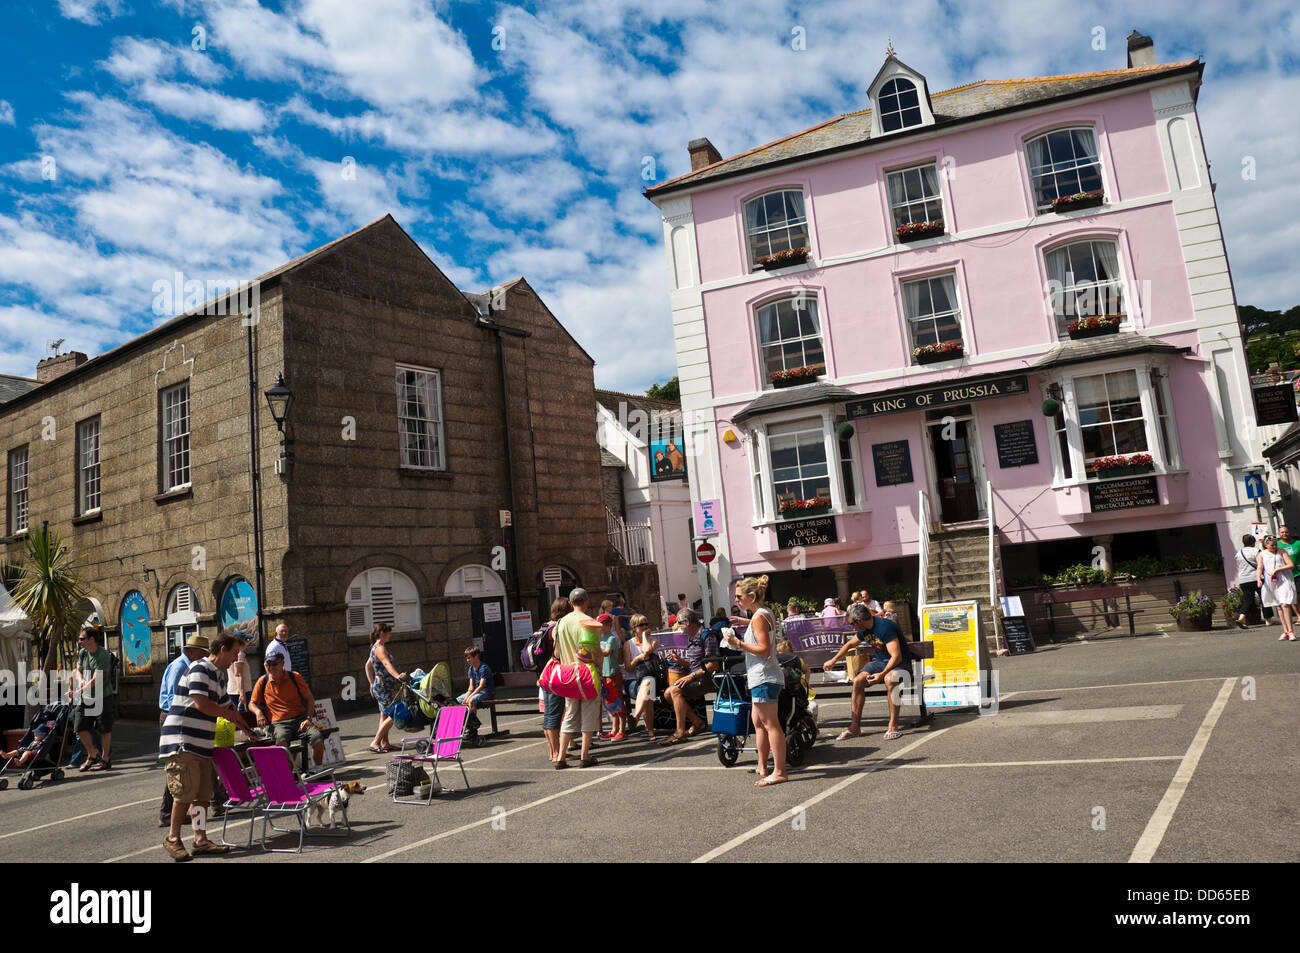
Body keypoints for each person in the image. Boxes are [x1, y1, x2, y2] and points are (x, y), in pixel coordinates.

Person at [159, 630, 256, 861]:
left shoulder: (218, 675)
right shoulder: (199, 668)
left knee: (202, 795)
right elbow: (202, 704)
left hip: (202, 743)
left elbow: (229, 708)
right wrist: (227, 715)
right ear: (222, 650)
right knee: (184, 792)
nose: (235, 659)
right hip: (183, 741)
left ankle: (200, 839)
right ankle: (173, 838)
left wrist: (248, 731)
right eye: (234, 653)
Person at [722, 575, 787, 787]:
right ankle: (762, 765)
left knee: (770, 724)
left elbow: (764, 650)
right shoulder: (763, 613)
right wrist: (745, 622)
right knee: (758, 722)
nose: (737, 600)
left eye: (739, 597)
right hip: (762, 676)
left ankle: (779, 771)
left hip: (764, 675)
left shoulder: (759, 616)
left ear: (751, 596)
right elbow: (762, 625)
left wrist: (737, 642)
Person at [823, 603, 911, 741]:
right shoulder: (864, 630)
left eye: (852, 623)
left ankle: (893, 726)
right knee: (858, 681)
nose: (852, 627)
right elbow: (850, 644)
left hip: (900, 664)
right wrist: (833, 660)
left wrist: (881, 675)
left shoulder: (885, 627)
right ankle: (855, 727)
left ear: (859, 621)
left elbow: (896, 657)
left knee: (890, 679)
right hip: (879, 662)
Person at [158, 635, 210, 827]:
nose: (204, 657)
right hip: (174, 718)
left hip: (185, 720)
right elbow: (174, 697)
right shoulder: (181, 666)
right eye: (202, 653)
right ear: (191, 651)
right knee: (180, 769)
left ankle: (199, 834)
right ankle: (168, 817)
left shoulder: (194, 666)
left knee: (189, 773)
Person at [249, 654, 325, 766]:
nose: (271, 667)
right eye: (268, 664)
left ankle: (319, 770)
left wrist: (308, 718)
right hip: (278, 723)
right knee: (281, 740)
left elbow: (310, 698)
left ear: (282, 663)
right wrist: (258, 712)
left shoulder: (294, 677)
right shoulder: (262, 681)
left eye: (274, 664)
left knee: (317, 737)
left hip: (300, 720)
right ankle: (288, 773)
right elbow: (251, 703)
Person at [555, 588, 600, 769]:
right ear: (587, 601)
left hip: (568, 674)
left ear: (570, 603)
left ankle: (560, 757)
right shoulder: (589, 622)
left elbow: (557, 652)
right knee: (589, 713)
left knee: (570, 714)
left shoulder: (560, 623)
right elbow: (595, 652)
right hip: (587, 673)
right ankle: (584, 756)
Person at [660, 608, 720, 744]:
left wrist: (691, 676)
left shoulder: (707, 636)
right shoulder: (692, 638)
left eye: (679, 623)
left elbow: (713, 665)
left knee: (674, 690)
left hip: (708, 679)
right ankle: (697, 722)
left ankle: (680, 732)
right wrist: (679, 661)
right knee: (668, 693)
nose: (677, 626)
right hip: (697, 676)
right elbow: (693, 664)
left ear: (687, 622)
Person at [69, 626, 115, 772]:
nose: (79, 641)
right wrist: (80, 679)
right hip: (86, 697)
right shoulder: (83, 652)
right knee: (80, 727)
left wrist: (79, 690)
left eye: (82, 638)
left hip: (102, 696)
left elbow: (96, 679)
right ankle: (92, 754)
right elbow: (77, 670)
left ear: (92, 639)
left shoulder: (104, 655)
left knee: (104, 730)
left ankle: (105, 759)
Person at [365, 623, 408, 752]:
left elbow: (367, 666)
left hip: (380, 685)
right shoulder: (380, 648)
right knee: (395, 712)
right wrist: (398, 676)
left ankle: (385, 743)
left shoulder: (375, 648)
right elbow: (386, 663)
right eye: (389, 632)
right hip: (385, 687)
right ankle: (375, 741)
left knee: (384, 715)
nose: (390, 635)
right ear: (383, 633)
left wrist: (372, 682)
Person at [539, 598, 570, 762]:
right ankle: (557, 753)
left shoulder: (545, 626)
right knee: (554, 715)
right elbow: (558, 653)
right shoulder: (557, 628)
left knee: (549, 714)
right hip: (554, 675)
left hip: (544, 675)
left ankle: (553, 752)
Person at [623, 614, 659, 741]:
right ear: (634, 627)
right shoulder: (628, 644)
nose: (644, 627)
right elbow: (628, 668)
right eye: (641, 625)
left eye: (646, 624)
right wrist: (637, 659)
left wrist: (644, 636)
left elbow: (648, 650)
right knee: (647, 690)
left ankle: (636, 717)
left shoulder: (652, 640)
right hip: (632, 680)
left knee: (648, 683)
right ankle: (650, 731)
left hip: (650, 677)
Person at [1257, 536, 1296, 640]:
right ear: (1266, 545)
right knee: (1279, 606)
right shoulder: (1261, 554)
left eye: (1275, 544)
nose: (1274, 547)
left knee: (1285, 604)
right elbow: (1260, 567)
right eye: (1271, 545)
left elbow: (1291, 565)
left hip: (1284, 579)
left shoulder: (1281, 551)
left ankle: (1291, 631)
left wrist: (1278, 569)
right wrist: (1259, 579)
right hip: (1271, 581)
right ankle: (1285, 630)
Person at [596, 614, 626, 740]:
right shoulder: (601, 638)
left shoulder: (611, 639)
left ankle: (622, 730)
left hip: (613, 674)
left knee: (618, 701)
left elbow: (607, 652)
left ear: (609, 625)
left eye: (602, 625)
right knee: (610, 703)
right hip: (605, 675)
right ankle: (614, 729)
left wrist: (595, 648)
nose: (601, 627)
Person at [1233, 534, 1272, 628]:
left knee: (1248, 600)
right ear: (1253, 542)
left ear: (1244, 543)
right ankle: (1268, 620)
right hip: (1256, 578)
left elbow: (1238, 566)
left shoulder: (1238, 553)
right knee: (1264, 598)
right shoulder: (1257, 551)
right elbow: (1260, 564)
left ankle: (1241, 618)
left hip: (1243, 580)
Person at [458, 646, 494, 716]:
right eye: (466, 658)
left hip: (486, 692)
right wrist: (466, 697)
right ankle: (462, 721)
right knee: (458, 700)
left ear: (476, 656)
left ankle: (472, 723)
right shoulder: (471, 669)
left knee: (471, 700)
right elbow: (471, 687)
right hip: (476, 692)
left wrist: (469, 697)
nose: (467, 660)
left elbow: (481, 686)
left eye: (469, 658)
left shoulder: (484, 668)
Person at [1275, 526, 1300, 619]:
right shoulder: (1276, 545)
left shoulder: (1297, 543)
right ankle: (1299, 616)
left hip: (1298, 573)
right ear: (1279, 534)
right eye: (1282, 532)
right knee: (1294, 596)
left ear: (1289, 532)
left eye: (1286, 532)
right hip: (1285, 575)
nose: (1284, 534)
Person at [226, 643, 250, 710]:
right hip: (240, 691)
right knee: (243, 716)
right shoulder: (239, 654)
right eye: (246, 640)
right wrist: (242, 693)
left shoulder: (231, 653)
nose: (247, 643)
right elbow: (238, 674)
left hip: (234, 690)